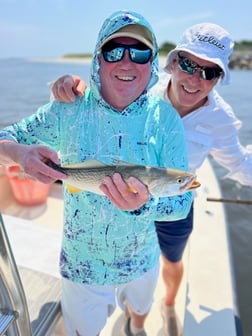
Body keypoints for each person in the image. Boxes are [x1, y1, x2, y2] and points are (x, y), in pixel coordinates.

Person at [51, 22, 252, 336]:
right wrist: (72, 87)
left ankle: (168, 305)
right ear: (172, 63)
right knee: (122, 262)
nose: (195, 79)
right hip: (126, 197)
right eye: (188, 64)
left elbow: (240, 164)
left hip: (174, 202)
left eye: (209, 72)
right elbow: (100, 97)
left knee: (172, 261)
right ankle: (131, 312)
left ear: (219, 79)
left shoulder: (220, 119)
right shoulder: (141, 89)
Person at [0, 10, 192, 336]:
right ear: (97, 59)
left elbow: (182, 203)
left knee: (139, 313)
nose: (127, 62)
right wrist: (20, 154)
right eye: (114, 51)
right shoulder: (68, 108)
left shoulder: (165, 117)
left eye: (141, 52)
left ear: (152, 63)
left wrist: (143, 205)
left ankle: (136, 327)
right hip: (81, 266)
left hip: (141, 260)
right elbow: (6, 140)